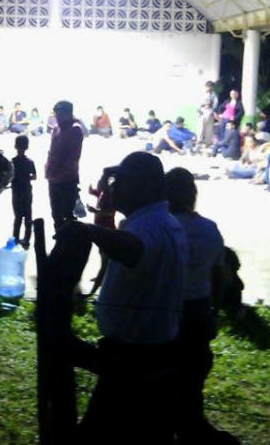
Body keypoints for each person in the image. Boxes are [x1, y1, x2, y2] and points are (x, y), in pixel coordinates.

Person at [65, 151, 187, 443]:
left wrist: (86, 231)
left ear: (143, 187)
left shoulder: (149, 225)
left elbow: (133, 250)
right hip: (144, 355)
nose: (114, 188)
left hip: (135, 362)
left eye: (121, 182)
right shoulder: (160, 221)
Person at [164, 167, 235, 444]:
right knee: (192, 381)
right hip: (198, 310)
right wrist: (213, 309)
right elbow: (217, 277)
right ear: (193, 194)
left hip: (166, 313)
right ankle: (190, 428)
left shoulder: (163, 228)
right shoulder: (209, 229)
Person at [46, 100, 84, 229]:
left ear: (68, 114)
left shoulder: (75, 130)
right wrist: (48, 170)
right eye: (56, 114)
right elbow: (51, 152)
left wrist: (61, 174)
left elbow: (73, 157)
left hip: (67, 180)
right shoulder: (56, 129)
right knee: (56, 214)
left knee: (68, 214)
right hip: (53, 178)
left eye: (59, 114)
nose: (57, 117)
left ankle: (69, 244)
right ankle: (59, 240)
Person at [11, 135, 36, 248]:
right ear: (27, 146)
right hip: (27, 191)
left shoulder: (12, 162)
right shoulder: (30, 162)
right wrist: (26, 177)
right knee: (28, 216)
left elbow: (8, 176)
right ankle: (26, 239)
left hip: (16, 192)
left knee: (17, 217)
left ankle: (15, 238)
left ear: (15, 146)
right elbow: (34, 176)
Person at [198, 80, 219, 147]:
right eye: (208, 86)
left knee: (209, 128)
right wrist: (202, 107)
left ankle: (208, 142)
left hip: (210, 113)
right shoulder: (201, 94)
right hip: (202, 112)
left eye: (211, 87)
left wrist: (211, 106)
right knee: (200, 127)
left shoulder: (214, 95)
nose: (209, 88)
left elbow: (215, 104)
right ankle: (199, 141)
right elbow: (198, 103)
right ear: (205, 86)